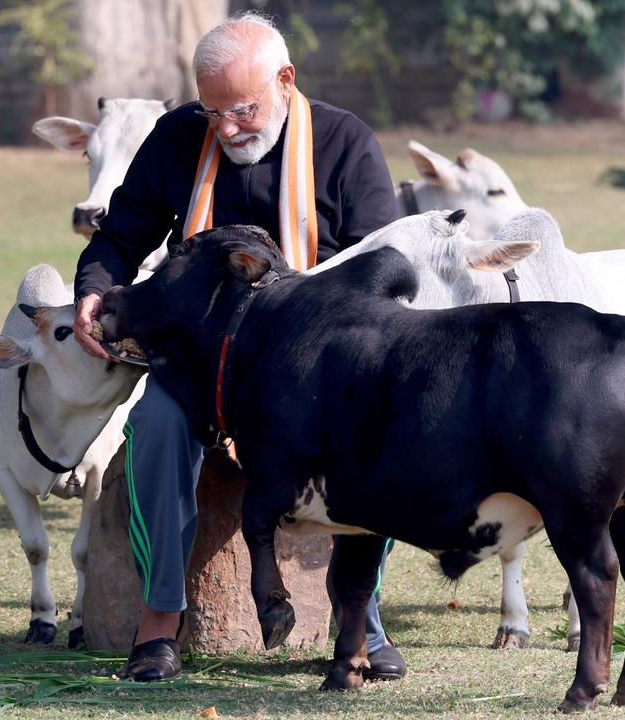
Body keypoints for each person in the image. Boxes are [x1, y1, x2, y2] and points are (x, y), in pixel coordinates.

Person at [72, 11, 404, 682]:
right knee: (155, 426)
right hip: (199, 365)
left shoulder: (345, 143)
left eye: (243, 110)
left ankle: (358, 620)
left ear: (287, 80)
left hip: (316, 370)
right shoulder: (177, 139)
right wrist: (94, 289)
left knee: (384, 433)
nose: (225, 128)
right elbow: (117, 238)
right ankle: (160, 618)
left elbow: (389, 270)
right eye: (212, 111)